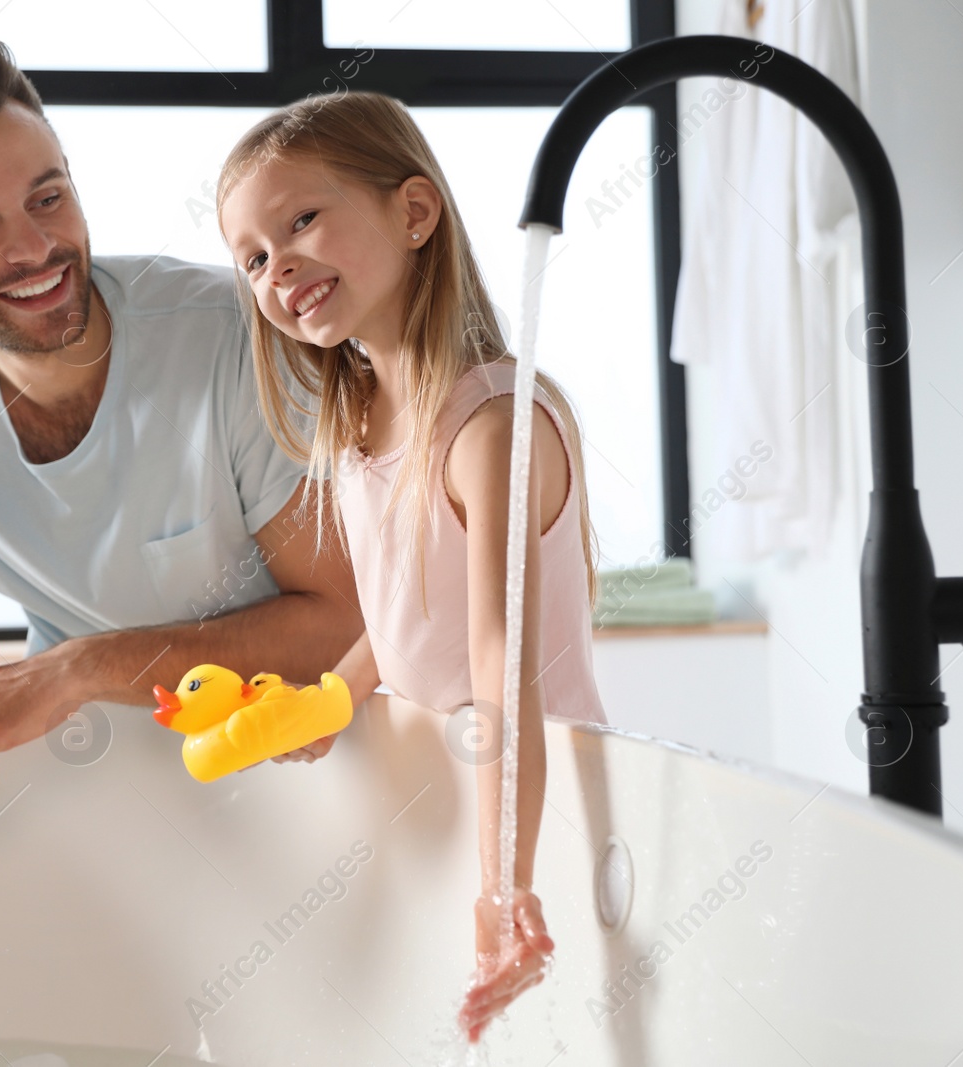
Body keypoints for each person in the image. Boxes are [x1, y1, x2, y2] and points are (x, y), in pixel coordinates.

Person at [0, 39, 362, 817]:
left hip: (321, 778)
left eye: (47, 198)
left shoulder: (235, 335)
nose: (34, 248)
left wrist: (76, 670)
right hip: (104, 794)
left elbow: (342, 622)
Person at [216, 91, 609, 1042]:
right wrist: (330, 698)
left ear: (414, 212)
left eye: (302, 219)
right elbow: (402, 626)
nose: (281, 267)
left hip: (534, 804)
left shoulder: (491, 425)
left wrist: (503, 881)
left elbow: (499, 666)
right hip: (460, 795)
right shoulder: (359, 425)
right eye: (255, 257)